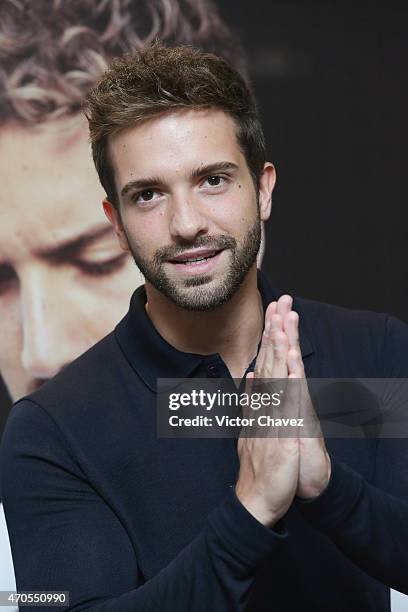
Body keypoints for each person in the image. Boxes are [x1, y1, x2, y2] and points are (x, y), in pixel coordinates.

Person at [1, 43, 408, 611]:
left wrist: (328, 488)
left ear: (263, 189)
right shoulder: (52, 430)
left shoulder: (377, 350)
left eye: (213, 180)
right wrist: (250, 513)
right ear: (116, 223)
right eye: (148, 195)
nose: (186, 224)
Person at [0, 1, 249, 607]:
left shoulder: (357, 381)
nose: (40, 348)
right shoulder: (42, 443)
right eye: (0, 282)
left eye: (92, 259)